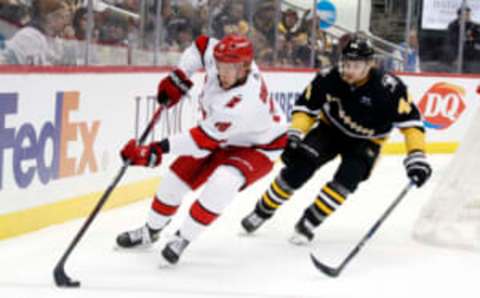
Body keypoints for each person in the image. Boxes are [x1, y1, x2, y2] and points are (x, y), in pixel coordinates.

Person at [240, 35, 432, 244]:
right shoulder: (329, 77)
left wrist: (417, 156)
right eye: (346, 63)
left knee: (346, 180)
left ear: (370, 64)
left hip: (367, 142)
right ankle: (262, 210)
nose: (348, 70)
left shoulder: (389, 89)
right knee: (299, 167)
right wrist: (295, 134)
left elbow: (412, 124)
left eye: (356, 65)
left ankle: (310, 221)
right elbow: (306, 107)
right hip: (329, 130)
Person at [116, 34, 287, 265]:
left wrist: (156, 149)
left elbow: (202, 140)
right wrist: (180, 74)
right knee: (173, 182)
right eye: (220, 65)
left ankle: (182, 238)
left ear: (245, 67)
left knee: (223, 183)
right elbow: (202, 45)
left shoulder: (244, 102)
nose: (222, 72)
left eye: (231, 68)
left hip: (259, 146)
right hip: (222, 136)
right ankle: (150, 231)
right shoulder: (226, 60)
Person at [0, 0, 72, 65]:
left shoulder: (56, 40)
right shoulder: (29, 36)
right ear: (49, 18)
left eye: (67, 17)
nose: (66, 22)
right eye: (62, 17)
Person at [447, 6, 480, 73]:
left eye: (468, 15)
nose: (468, 16)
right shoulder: (453, 26)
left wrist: (472, 39)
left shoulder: (473, 26)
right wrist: (454, 57)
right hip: (458, 56)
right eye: (466, 15)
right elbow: (452, 41)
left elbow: (477, 38)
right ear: (459, 15)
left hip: (471, 57)